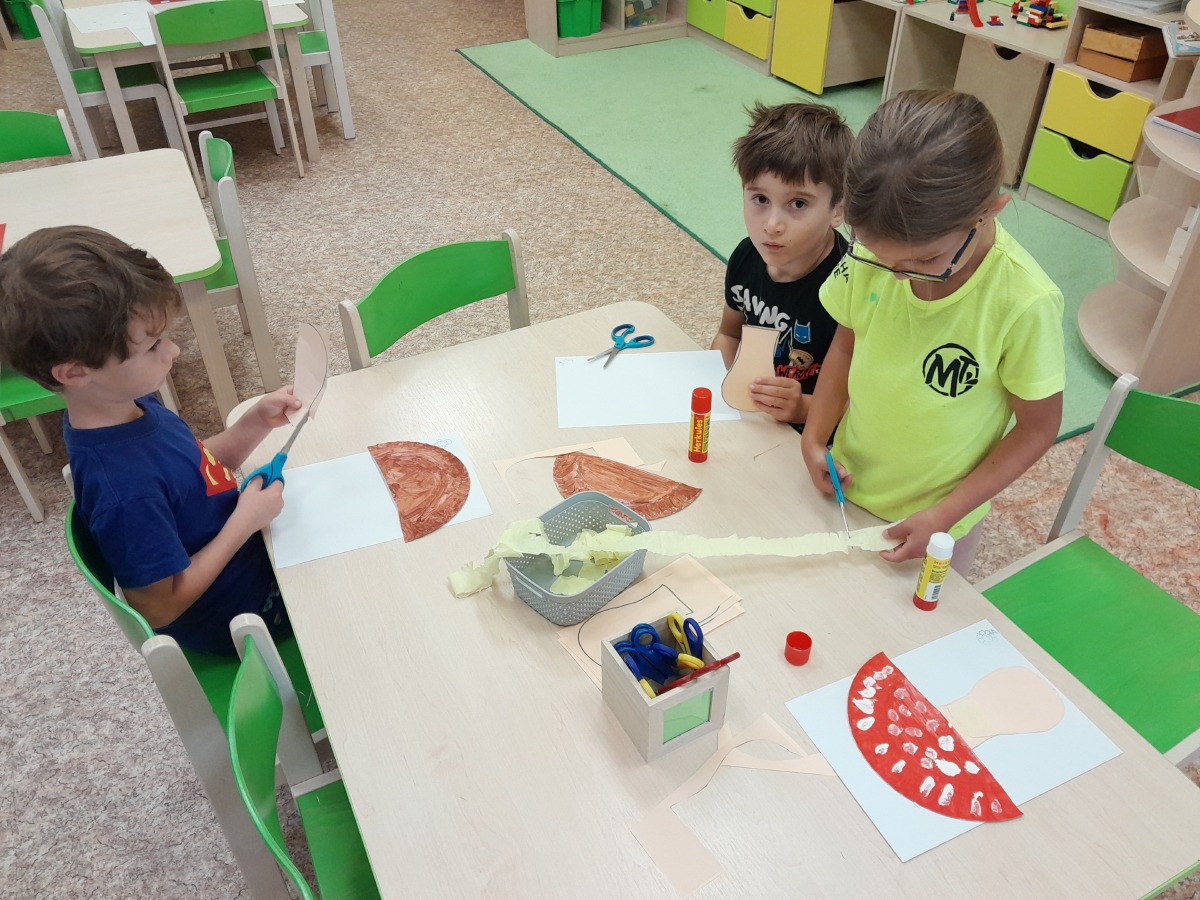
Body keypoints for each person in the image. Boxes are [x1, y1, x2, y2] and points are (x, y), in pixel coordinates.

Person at [0, 226, 300, 655]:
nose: (173, 351)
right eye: (153, 345)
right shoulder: (124, 490)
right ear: (76, 372)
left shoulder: (124, 406)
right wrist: (244, 522)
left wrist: (253, 424)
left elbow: (191, 473)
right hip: (245, 616)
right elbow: (159, 607)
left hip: (253, 559)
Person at [800, 90, 1064, 574]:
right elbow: (847, 344)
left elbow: (1038, 427)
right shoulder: (870, 258)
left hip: (939, 525)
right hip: (846, 486)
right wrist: (815, 438)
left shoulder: (1024, 302)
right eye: (882, 258)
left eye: (925, 260)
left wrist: (945, 515)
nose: (899, 276)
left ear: (990, 210)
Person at [711, 101, 852, 429]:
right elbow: (728, 335)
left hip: (814, 435)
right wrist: (724, 385)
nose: (772, 225)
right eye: (760, 199)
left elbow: (861, 405)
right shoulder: (746, 257)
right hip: (753, 422)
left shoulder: (850, 287)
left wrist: (802, 408)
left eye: (798, 203)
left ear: (838, 209)